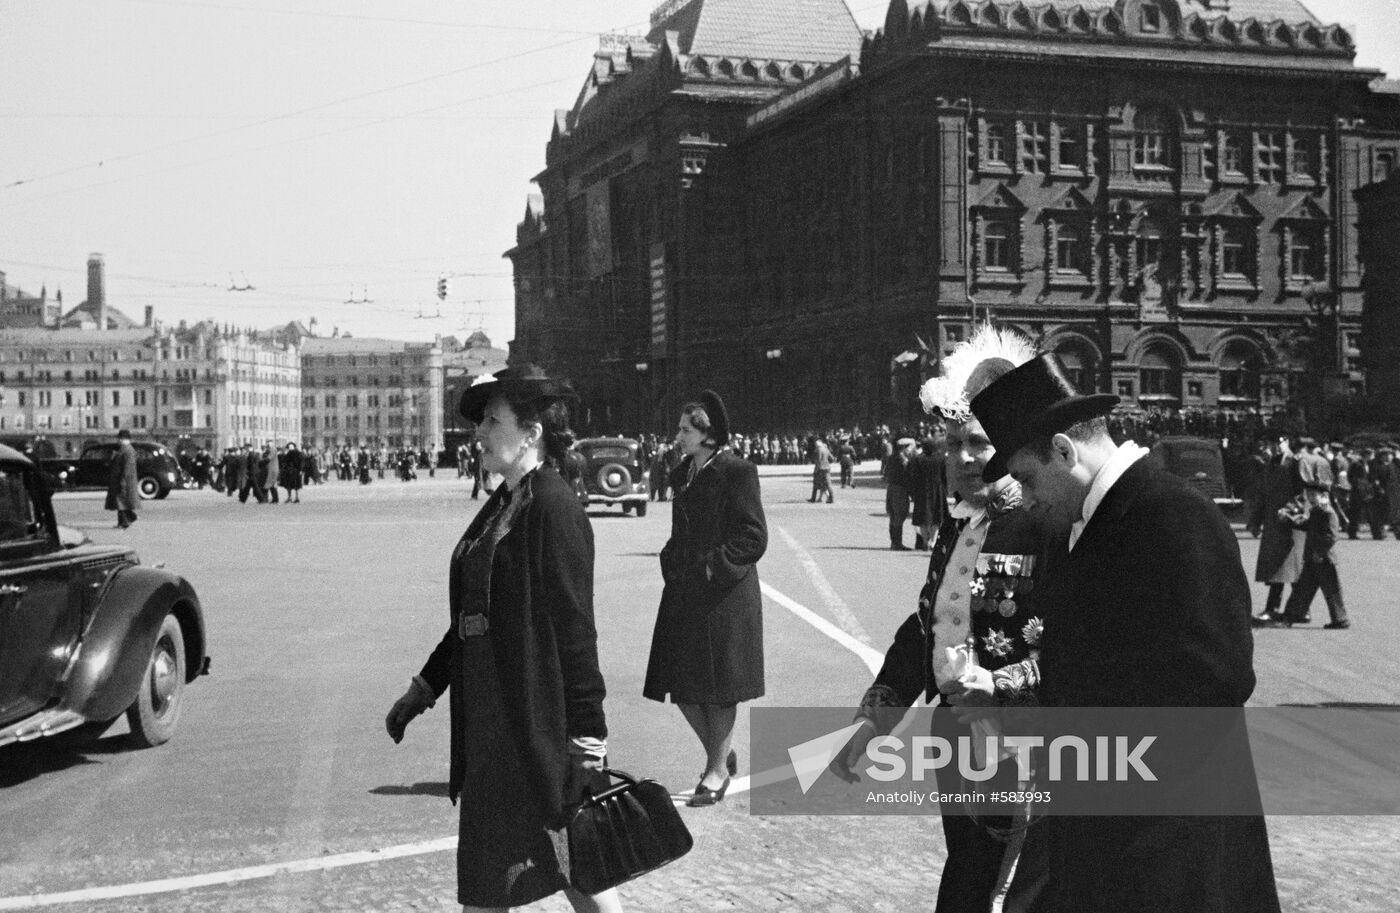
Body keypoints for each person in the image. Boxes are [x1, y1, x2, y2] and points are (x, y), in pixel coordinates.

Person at [969, 353, 1280, 913]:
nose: (1026, 497)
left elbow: (1212, 682)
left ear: (1064, 450)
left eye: (1026, 477)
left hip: (1171, 844)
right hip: (1112, 834)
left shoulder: (1171, 514)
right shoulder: (1086, 524)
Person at [833, 324, 1055, 912]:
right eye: (951, 443)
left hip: (1021, 739)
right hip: (956, 734)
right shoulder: (961, 522)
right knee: (967, 874)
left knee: (1010, 886)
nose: (958, 458)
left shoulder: (1044, 524)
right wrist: (875, 720)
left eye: (977, 444)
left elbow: (1069, 642)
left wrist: (1007, 690)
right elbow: (927, 625)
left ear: (1009, 445)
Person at [384, 365, 621, 913]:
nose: (480, 433)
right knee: (496, 884)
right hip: (492, 729)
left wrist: (588, 736)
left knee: (576, 870)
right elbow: (472, 615)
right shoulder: (502, 505)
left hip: (534, 727)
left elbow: (575, 633)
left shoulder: (555, 508)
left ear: (531, 432)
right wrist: (423, 688)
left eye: (493, 421)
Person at [643, 391, 766, 807]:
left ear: (707, 434)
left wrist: (713, 568)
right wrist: (670, 559)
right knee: (682, 684)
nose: (677, 436)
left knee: (720, 686)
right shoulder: (683, 474)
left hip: (724, 593)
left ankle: (715, 771)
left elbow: (753, 536)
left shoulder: (737, 472)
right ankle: (720, 749)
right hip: (685, 588)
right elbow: (681, 533)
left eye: (684, 429)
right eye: (679, 429)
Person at [105, 428, 139, 529]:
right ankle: (126, 520)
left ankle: (126, 520)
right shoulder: (123, 450)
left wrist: (123, 481)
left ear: (124, 439)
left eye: (120, 438)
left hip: (124, 480)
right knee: (120, 502)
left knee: (121, 502)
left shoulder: (127, 450)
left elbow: (127, 468)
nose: (118, 440)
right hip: (119, 479)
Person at [885, 438, 914, 550]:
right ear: (904, 448)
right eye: (909, 448)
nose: (910, 450)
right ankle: (897, 543)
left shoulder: (891, 458)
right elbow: (908, 474)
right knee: (899, 515)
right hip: (900, 489)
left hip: (891, 488)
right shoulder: (902, 459)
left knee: (893, 516)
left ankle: (894, 542)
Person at [808, 435, 834, 503]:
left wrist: (816, 469)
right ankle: (831, 498)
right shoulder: (826, 450)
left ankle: (813, 498)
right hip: (827, 468)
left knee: (816, 484)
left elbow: (817, 461)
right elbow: (832, 459)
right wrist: (827, 462)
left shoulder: (817, 450)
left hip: (819, 469)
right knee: (828, 484)